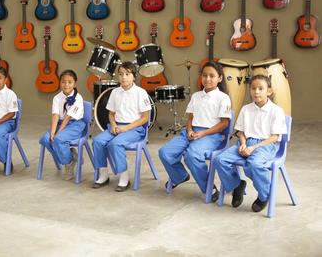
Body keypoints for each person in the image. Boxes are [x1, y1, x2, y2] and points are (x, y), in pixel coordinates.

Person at [158, 61, 231, 202]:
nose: (207, 79)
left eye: (212, 76)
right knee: (165, 152)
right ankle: (180, 176)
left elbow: (224, 123)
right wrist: (190, 129)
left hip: (211, 135)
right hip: (191, 132)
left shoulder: (223, 98)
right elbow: (191, 117)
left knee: (192, 155)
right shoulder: (196, 96)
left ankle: (208, 188)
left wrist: (202, 134)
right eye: (204, 75)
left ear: (219, 78)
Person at [214, 74, 287, 212]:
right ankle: (237, 186)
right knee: (220, 160)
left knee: (253, 164)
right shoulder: (246, 109)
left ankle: (264, 195)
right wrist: (243, 144)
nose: (256, 91)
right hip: (246, 143)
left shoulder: (276, 111)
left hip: (266, 145)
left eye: (261, 88)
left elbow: (274, 137)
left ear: (269, 91)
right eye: (253, 88)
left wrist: (254, 147)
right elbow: (241, 132)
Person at [92, 61, 151, 192]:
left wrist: (126, 128)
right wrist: (113, 124)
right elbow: (111, 114)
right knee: (97, 141)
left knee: (115, 144)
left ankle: (124, 177)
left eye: (127, 74)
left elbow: (145, 118)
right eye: (121, 74)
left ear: (134, 76)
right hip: (116, 127)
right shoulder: (115, 92)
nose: (124, 77)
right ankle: (103, 175)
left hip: (134, 129)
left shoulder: (141, 93)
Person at [39, 70, 85, 180]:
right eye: (63, 82)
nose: (66, 85)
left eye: (70, 82)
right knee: (45, 139)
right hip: (60, 123)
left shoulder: (78, 98)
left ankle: (68, 163)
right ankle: (69, 157)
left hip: (75, 124)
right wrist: (52, 132)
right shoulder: (57, 98)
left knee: (58, 139)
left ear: (75, 83)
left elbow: (68, 117)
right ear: (60, 83)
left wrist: (57, 133)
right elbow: (55, 116)